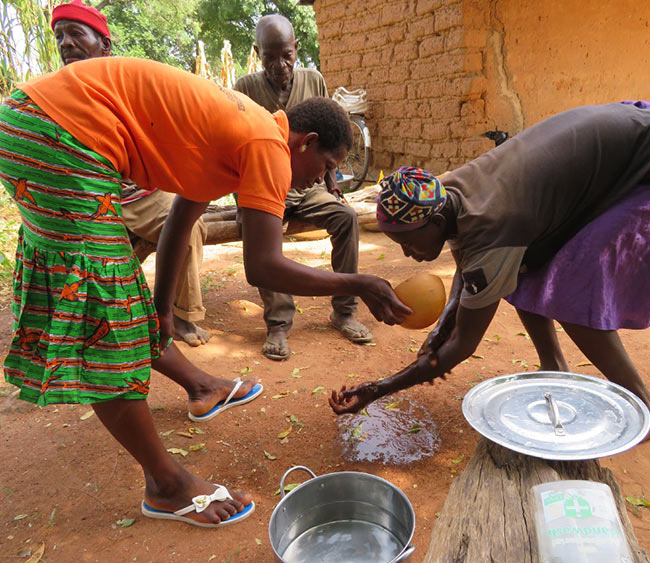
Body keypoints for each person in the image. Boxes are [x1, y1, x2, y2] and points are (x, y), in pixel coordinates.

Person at [0, 57, 408, 526]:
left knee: (118, 305)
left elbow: (179, 219)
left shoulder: (241, 133)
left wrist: (161, 310)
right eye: (328, 166)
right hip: (60, 134)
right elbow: (264, 266)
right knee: (104, 315)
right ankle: (166, 486)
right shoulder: (266, 144)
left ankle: (199, 391)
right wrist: (360, 281)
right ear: (306, 142)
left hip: (37, 123)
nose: (328, 180)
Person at [330, 101, 650, 440]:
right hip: (627, 134)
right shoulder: (444, 191)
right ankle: (554, 365)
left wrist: (379, 389)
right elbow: (469, 264)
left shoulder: (493, 228)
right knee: (519, 270)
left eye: (410, 242)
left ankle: (648, 410)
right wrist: (443, 325)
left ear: (437, 218)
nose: (408, 255)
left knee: (572, 294)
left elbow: (463, 344)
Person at [52, 0, 211, 347]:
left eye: (76, 33)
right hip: (88, 199)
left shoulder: (132, 83)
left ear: (104, 45)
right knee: (65, 248)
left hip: (141, 194)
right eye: (60, 35)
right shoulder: (53, 93)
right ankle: (86, 323)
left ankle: (179, 314)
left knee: (188, 225)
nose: (66, 43)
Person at [234, 14, 372, 360]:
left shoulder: (314, 79)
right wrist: (244, 202)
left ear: (297, 49)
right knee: (261, 241)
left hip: (307, 186)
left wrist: (330, 182)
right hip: (265, 188)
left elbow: (327, 138)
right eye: (270, 57)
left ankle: (344, 311)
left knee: (346, 218)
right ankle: (279, 322)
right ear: (257, 53)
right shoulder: (245, 88)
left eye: (287, 55)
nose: (280, 65)